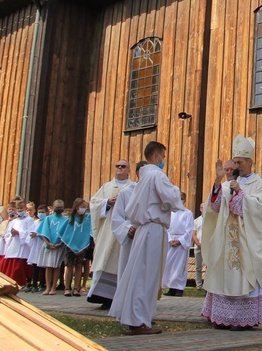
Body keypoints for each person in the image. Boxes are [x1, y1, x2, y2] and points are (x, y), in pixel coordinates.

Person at [109, 141, 184, 335]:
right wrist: (177, 193)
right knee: (146, 276)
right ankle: (139, 320)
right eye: (164, 157)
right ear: (157, 156)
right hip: (153, 229)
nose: (164, 161)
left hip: (144, 229)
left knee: (139, 274)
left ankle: (137, 318)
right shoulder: (156, 175)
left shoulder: (143, 177)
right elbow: (172, 197)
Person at [201, 135, 262, 331]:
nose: (236, 166)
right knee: (225, 275)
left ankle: (242, 319)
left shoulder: (260, 185)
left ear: (250, 162)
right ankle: (222, 317)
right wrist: (217, 182)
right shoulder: (227, 184)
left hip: (246, 241)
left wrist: (241, 194)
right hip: (227, 241)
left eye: (240, 162)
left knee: (243, 276)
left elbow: (261, 209)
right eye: (235, 162)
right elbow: (214, 208)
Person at [87, 160, 134, 308]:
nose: (120, 168)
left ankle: (121, 297)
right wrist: (107, 202)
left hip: (125, 230)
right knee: (105, 261)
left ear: (129, 170)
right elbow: (94, 203)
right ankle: (103, 297)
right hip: (108, 230)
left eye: (123, 166)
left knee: (122, 263)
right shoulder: (106, 187)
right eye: (117, 166)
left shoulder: (134, 187)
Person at [59, 198, 92, 297]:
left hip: (82, 247)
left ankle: (76, 288)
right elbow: (63, 232)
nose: (84, 209)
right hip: (70, 246)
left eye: (85, 207)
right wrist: (68, 242)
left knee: (78, 267)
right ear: (77, 207)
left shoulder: (86, 219)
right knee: (69, 267)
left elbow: (89, 232)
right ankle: (67, 288)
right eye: (82, 207)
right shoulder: (70, 219)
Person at [162, 192, 194, 297]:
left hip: (181, 243)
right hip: (170, 241)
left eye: (181, 198)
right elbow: (166, 227)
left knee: (180, 266)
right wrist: (170, 239)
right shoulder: (170, 213)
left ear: (184, 200)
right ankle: (171, 288)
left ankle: (179, 288)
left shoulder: (187, 213)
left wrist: (180, 240)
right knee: (169, 266)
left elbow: (189, 230)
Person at [37, 200, 68, 295]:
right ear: (53, 207)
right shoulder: (48, 219)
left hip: (59, 246)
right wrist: (48, 243)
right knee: (48, 266)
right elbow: (43, 231)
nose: (59, 209)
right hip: (48, 245)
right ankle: (48, 287)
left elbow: (66, 233)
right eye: (57, 207)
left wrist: (60, 243)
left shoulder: (66, 220)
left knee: (56, 266)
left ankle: (54, 287)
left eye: (61, 207)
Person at [4, 200, 35, 287]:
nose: (19, 210)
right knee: (12, 265)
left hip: (23, 246)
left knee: (19, 266)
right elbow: (7, 233)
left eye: (21, 208)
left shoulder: (29, 220)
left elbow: (30, 232)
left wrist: (19, 233)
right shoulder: (14, 221)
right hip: (13, 245)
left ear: (25, 208)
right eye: (18, 208)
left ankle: (22, 282)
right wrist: (11, 233)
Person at [26, 205, 48, 292]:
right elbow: (30, 232)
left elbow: (47, 233)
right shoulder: (36, 222)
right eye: (39, 212)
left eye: (43, 212)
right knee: (35, 266)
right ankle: (34, 284)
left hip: (43, 245)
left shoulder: (47, 222)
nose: (41, 214)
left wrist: (38, 235)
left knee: (42, 266)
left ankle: (42, 284)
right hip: (35, 246)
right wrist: (31, 235)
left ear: (47, 213)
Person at [193, 202, 205, 290]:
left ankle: (207, 286)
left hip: (208, 247)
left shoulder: (211, 220)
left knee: (209, 267)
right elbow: (194, 234)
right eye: (202, 207)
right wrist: (198, 244)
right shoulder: (196, 221)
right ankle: (198, 285)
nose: (204, 209)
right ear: (200, 209)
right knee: (198, 267)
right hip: (198, 246)